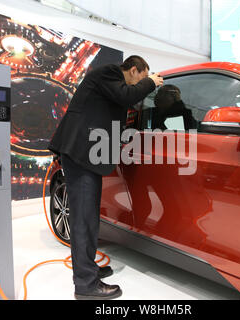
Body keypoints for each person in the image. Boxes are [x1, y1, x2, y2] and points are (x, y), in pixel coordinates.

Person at [48, 56, 163, 300]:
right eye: (141, 78)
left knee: (88, 217)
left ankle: (88, 268)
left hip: (88, 155)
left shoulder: (109, 84)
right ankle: (86, 284)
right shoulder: (109, 72)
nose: (138, 86)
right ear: (134, 70)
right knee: (83, 219)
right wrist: (151, 83)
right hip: (81, 153)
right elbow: (126, 96)